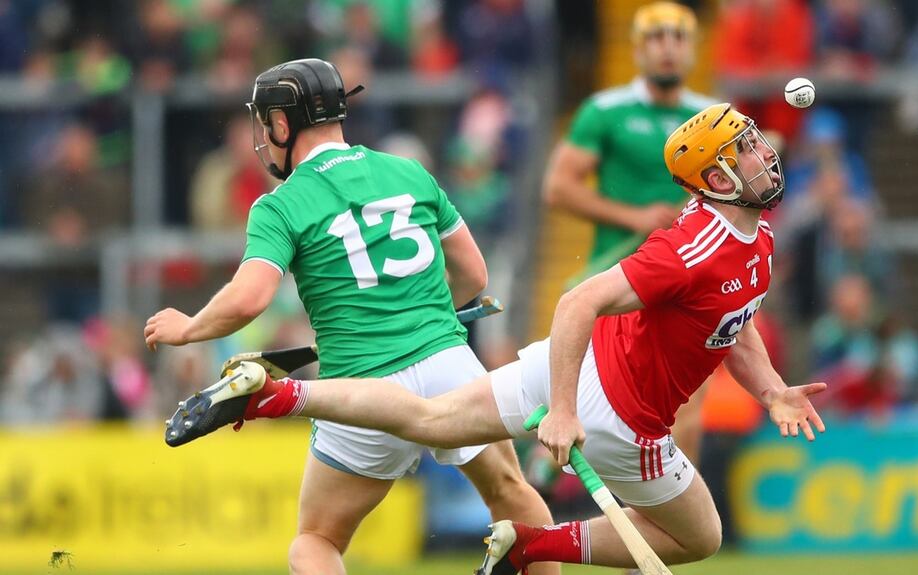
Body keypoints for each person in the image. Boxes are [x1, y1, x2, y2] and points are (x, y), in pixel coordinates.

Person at [160, 102, 828, 572]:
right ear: (717, 180)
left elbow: (731, 326)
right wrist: (565, 411)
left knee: (427, 420)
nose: (765, 151)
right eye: (746, 146)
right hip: (618, 416)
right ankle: (532, 547)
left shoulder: (756, 234)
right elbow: (576, 299)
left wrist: (771, 390)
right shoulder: (695, 246)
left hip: (566, 371)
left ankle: (277, 396)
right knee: (702, 535)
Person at [143, 58, 555, 575]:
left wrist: (188, 327)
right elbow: (474, 274)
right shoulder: (408, 172)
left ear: (282, 123)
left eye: (266, 121)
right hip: (450, 368)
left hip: (362, 388)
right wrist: (423, 314)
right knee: (510, 493)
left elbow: (250, 299)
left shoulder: (281, 204)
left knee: (316, 541)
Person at [542, 0, 717, 473]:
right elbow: (557, 188)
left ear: (693, 50)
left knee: (689, 416)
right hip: (620, 280)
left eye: (678, 38)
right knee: (600, 414)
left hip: (687, 280)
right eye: (656, 38)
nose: (668, 49)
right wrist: (635, 216)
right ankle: (548, 486)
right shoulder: (605, 110)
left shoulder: (715, 118)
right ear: (638, 50)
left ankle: (682, 535)